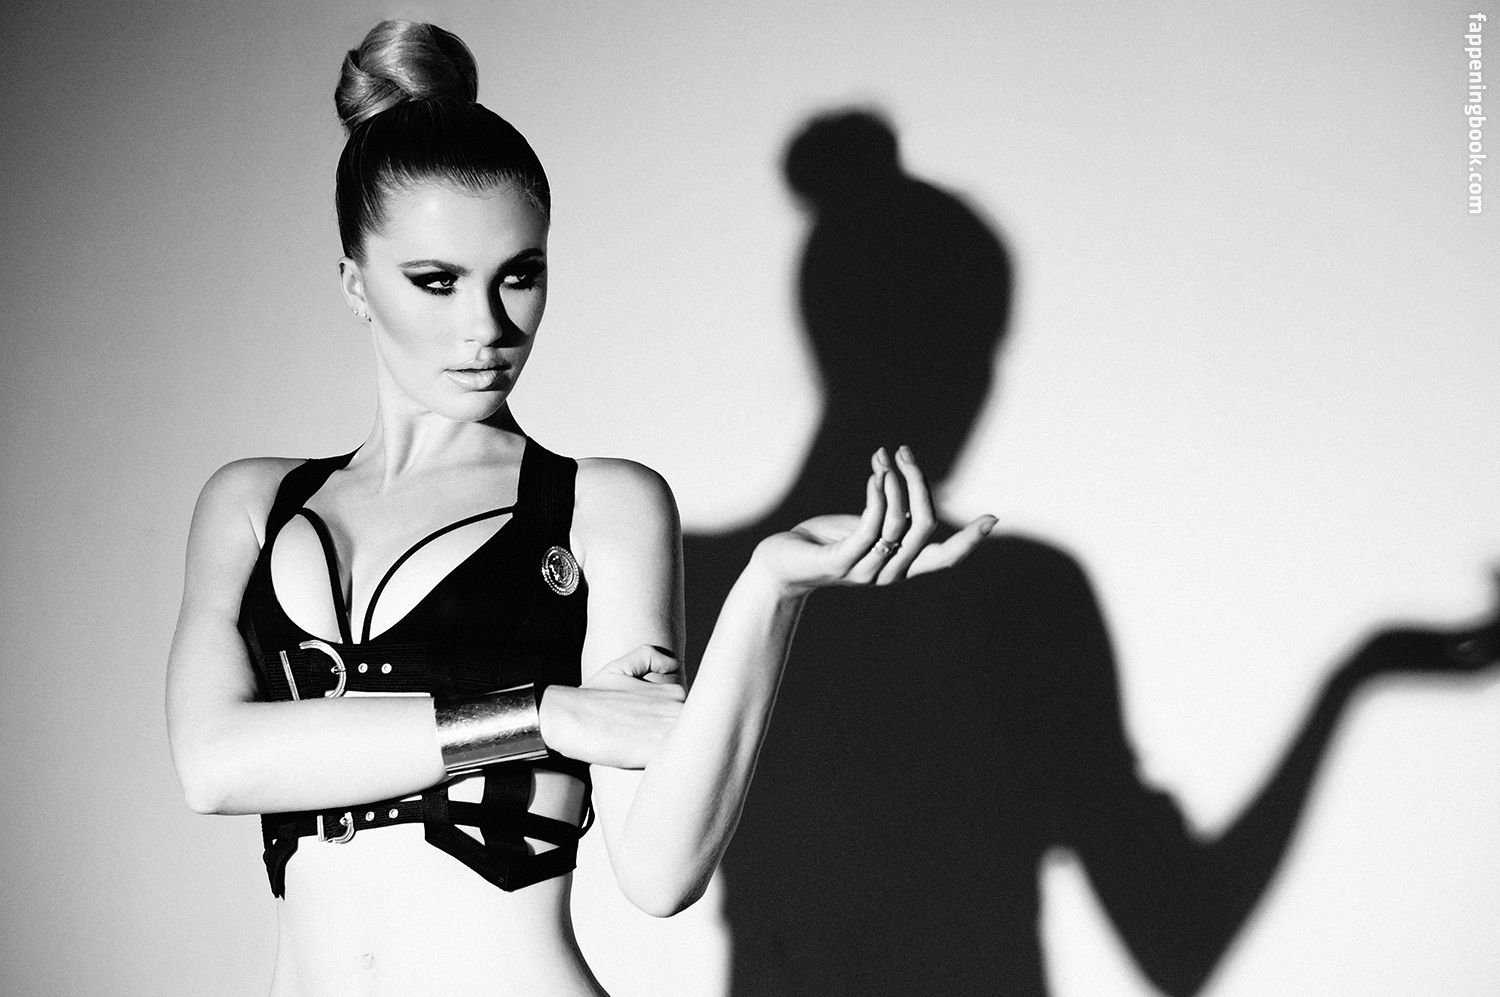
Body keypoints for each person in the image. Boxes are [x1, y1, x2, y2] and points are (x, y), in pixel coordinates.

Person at [164, 22, 994, 995]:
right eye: (436, 282)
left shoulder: (599, 507)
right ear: (355, 284)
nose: (486, 326)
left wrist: (770, 591)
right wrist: (544, 714)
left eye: (520, 275)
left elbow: (659, 872)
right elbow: (213, 763)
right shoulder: (253, 504)